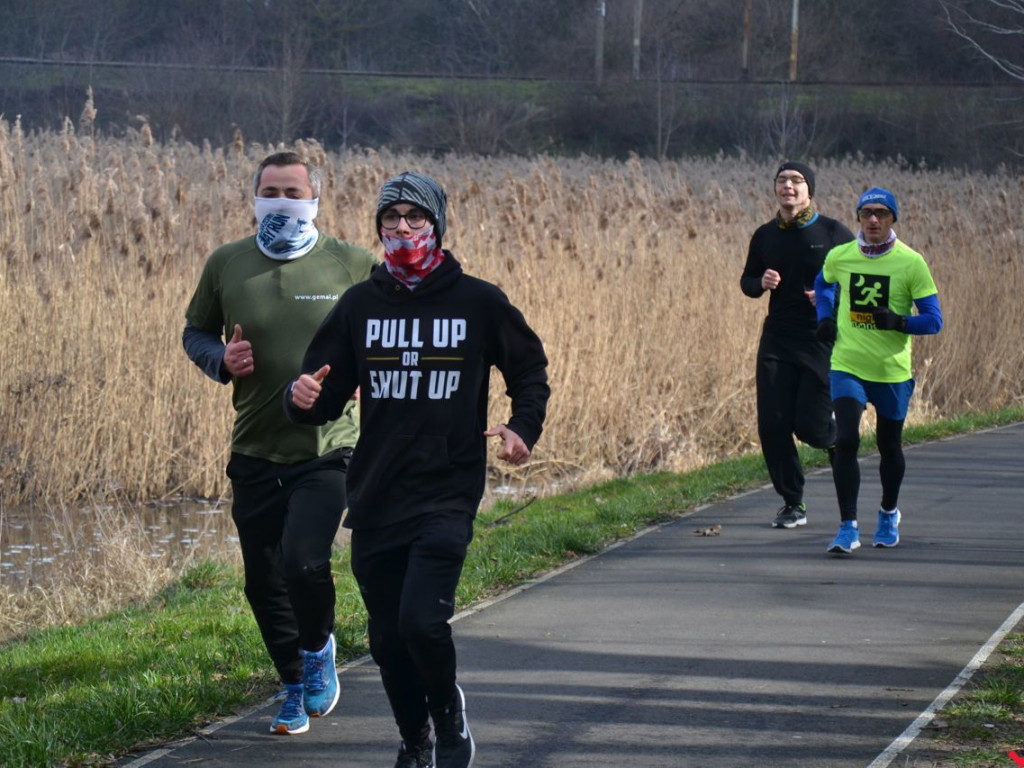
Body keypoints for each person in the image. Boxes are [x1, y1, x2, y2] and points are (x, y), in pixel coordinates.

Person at [284, 170, 550, 768]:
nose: (402, 228)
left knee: (421, 624)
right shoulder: (358, 305)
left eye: (416, 217)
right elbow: (322, 392)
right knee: (385, 640)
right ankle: (415, 738)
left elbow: (530, 371)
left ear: (437, 224)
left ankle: (450, 724)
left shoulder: (478, 301)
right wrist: (298, 398)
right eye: (390, 218)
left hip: (447, 490)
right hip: (376, 491)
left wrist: (521, 427)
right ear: (378, 226)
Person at [182, 151, 376, 734]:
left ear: (315, 197)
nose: (283, 201)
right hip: (254, 447)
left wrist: (366, 378)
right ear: (255, 196)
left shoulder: (351, 262)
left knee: (304, 559)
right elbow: (195, 332)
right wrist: (222, 359)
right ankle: (293, 684)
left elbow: (386, 332)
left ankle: (319, 652)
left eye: (294, 191)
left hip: (328, 445)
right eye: (272, 190)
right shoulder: (228, 264)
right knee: (262, 581)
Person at [814, 187, 942, 554]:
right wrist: (824, 317)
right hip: (847, 364)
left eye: (881, 214)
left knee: (889, 445)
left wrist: (900, 322)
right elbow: (822, 283)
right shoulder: (841, 256)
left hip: (891, 370)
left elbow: (934, 321)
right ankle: (847, 527)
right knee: (847, 440)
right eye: (866, 212)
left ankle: (888, 512)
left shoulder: (911, 262)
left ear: (892, 220)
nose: (873, 220)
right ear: (858, 217)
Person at [740, 161, 855, 529]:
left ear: (810, 190)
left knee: (808, 426)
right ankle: (793, 502)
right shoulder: (764, 236)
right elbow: (746, 280)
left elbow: (858, 282)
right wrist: (762, 281)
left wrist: (828, 297)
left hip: (820, 338)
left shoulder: (833, 232)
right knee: (772, 425)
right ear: (775, 189)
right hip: (777, 336)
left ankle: (834, 437)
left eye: (796, 180)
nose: (788, 186)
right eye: (782, 181)